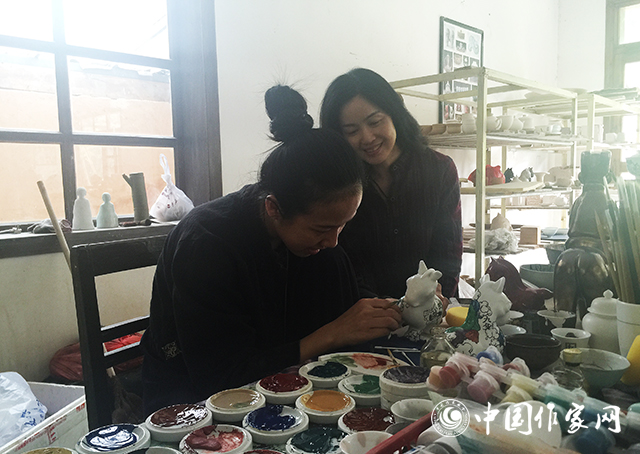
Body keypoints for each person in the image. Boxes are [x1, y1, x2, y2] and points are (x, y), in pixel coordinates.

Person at [140, 85, 402, 414]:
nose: (334, 241)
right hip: (192, 401)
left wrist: (390, 310)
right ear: (274, 208)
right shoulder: (206, 244)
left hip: (287, 382)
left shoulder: (319, 233)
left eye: (343, 225)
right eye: (323, 229)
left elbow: (347, 297)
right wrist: (331, 335)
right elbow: (219, 377)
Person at [320, 68, 463, 302]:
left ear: (394, 114)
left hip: (430, 308)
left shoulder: (439, 170)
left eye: (375, 122)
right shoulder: (340, 181)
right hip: (365, 310)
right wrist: (380, 305)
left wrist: (437, 297)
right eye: (352, 131)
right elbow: (342, 258)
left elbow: (448, 252)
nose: (367, 138)